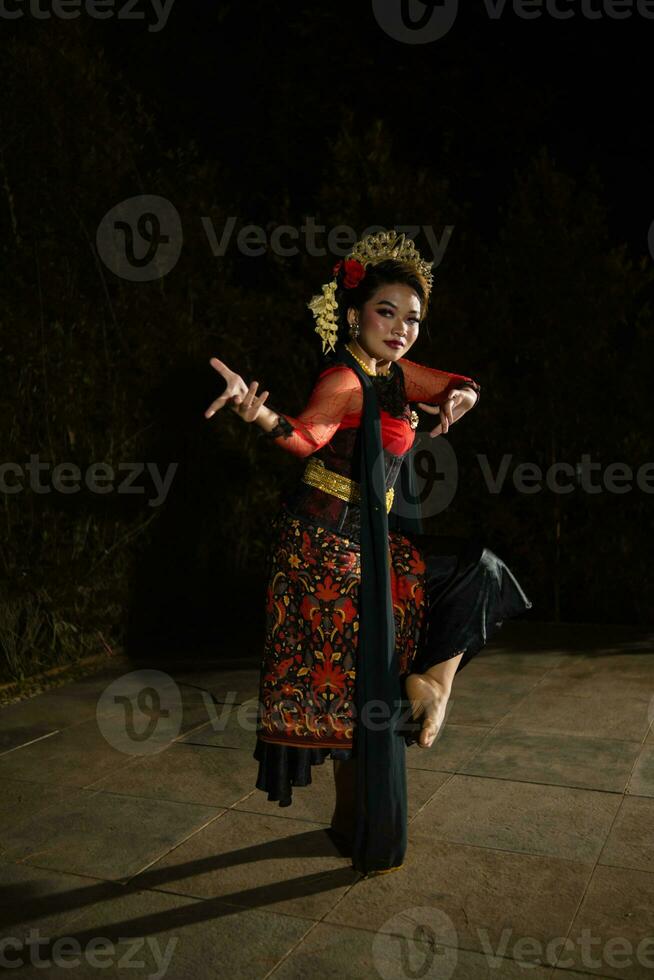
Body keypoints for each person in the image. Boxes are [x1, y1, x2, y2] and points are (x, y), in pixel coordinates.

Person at [204, 229, 532, 878]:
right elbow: (305, 437)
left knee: (480, 578)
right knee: (359, 696)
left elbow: (456, 383)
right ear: (355, 314)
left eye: (413, 319)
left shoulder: (395, 373)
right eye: (388, 312)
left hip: (373, 547)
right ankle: (359, 812)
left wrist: (463, 395)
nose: (403, 328)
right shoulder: (346, 377)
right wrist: (256, 415)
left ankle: (432, 686)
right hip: (325, 555)